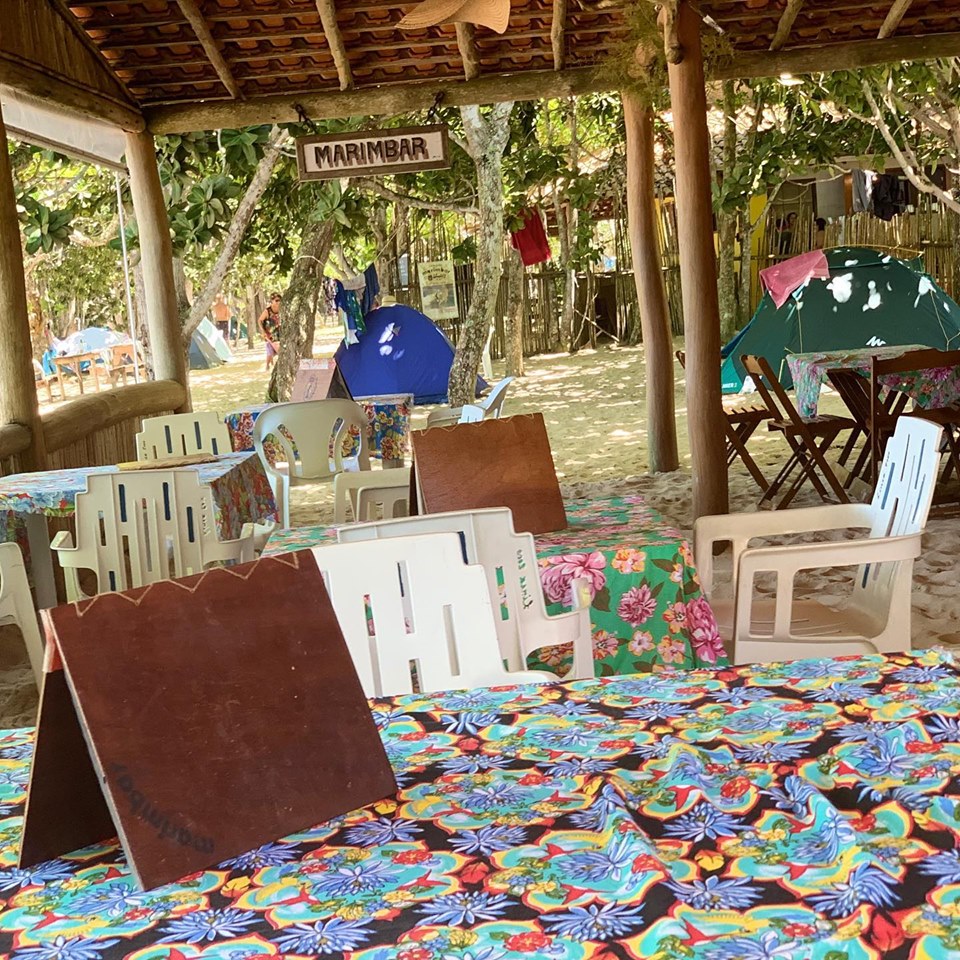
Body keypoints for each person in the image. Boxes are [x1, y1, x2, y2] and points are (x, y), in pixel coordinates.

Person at [258, 292, 282, 371]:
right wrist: (263, 331)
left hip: (279, 333)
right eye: (276, 300)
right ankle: (272, 366)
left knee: (271, 352)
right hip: (270, 334)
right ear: (272, 301)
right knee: (277, 350)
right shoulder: (267, 311)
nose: (278, 302)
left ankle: (268, 365)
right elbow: (260, 320)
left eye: (279, 300)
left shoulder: (281, 309)